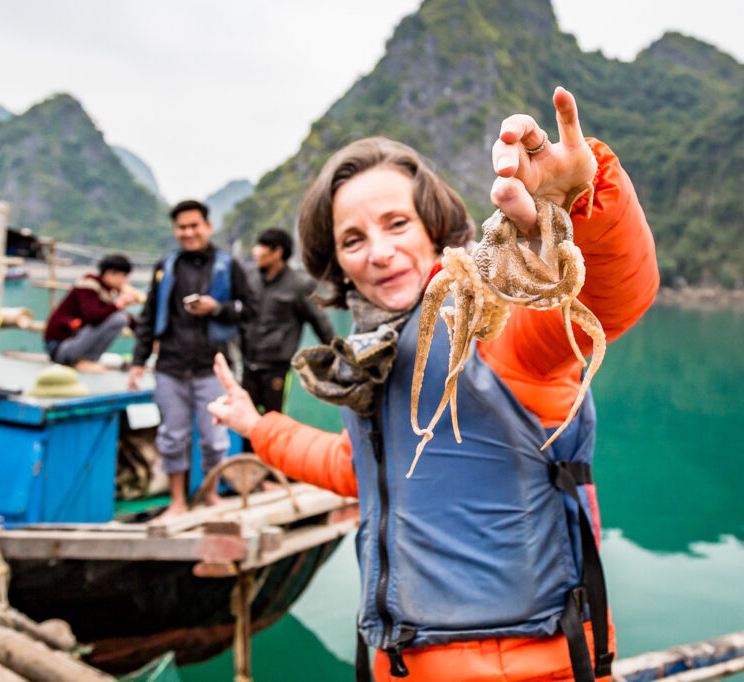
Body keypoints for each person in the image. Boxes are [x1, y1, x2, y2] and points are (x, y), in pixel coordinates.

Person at [208, 87, 659, 682]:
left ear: (433, 228)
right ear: (337, 262)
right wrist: (255, 425)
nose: (379, 252)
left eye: (397, 223)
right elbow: (359, 466)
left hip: (531, 662)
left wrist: (581, 205)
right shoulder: (370, 357)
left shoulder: (498, 322)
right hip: (398, 660)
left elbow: (609, 295)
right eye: (352, 239)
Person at [129, 199, 255, 518]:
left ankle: (210, 494)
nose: (188, 233)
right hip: (170, 366)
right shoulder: (166, 266)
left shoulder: (228, 265)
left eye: (194, 226)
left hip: (212, 367)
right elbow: (148, 316)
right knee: (172, 436)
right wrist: (138, 361)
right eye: (182, 227)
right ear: (175, 230)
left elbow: (251, 309)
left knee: (214, 438)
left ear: (207, 227)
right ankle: (177, 501)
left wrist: (217, 308)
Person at [241, 228, 335, 435]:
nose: (256, 251)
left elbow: (320, 322)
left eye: (262, 246)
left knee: (274, 422)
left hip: (277, 368)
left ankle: (272, 458)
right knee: (247, 424)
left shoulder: (297, 286)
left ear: (277, 252)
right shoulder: (251, 280)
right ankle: (249, 456)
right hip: (249, 365)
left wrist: (336, 355)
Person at [44, 254, 137, 373]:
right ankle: (84, 360)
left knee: (121, 318)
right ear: (110, 274)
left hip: (70, 347)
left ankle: (85, 360)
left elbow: (127, 319)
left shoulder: (106, 292)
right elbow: (93, 317)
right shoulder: (88, 287)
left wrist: (146, 334)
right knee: (119, 318)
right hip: (60, 348)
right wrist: (118, 303)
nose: (125, 281)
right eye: (123, 276)